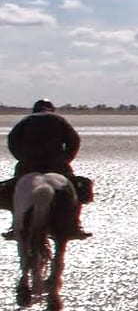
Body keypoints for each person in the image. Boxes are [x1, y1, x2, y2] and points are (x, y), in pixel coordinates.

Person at [5, 98, 89, 239]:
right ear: (51, 109)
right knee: (79, 190)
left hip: (28, 167)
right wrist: (66, 158)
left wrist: (22, 158)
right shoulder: (60, 120)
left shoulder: (26, 121)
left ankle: (15, 225)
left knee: (11, 192)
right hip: (57, 167)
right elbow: (74, 141)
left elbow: (12, 140)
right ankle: (75, 225)